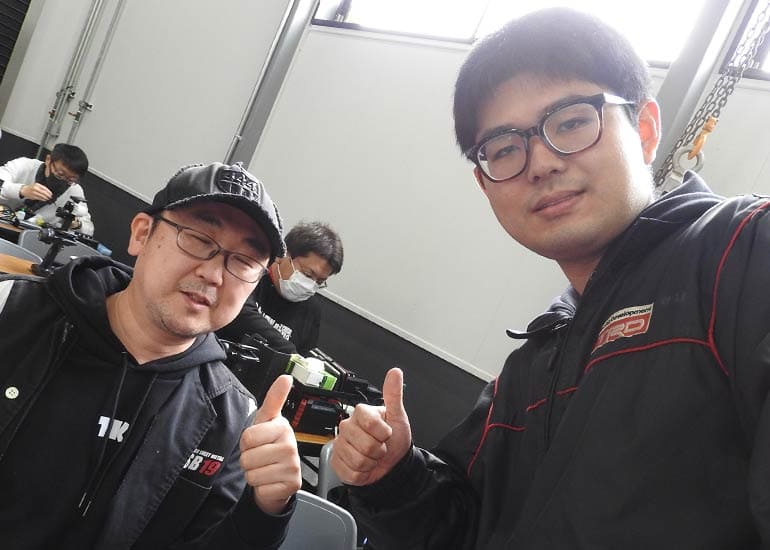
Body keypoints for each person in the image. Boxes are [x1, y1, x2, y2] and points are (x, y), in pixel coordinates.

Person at [330, 7, 770, 549]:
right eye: (505, 149)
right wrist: (395, 478)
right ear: (486, 185)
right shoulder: (530, 370)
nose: (540, 164)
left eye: (571, 122)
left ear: (646, 130)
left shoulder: (743, 253)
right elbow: (465, 531)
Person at [0, 162, 302, 549]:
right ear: (142, 234)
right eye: (199, 238)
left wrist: (265, 510)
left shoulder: (232, 419)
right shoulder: (10, 310)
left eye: (244, 261)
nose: (214, 274)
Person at [218, 221, 344, 356]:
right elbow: (241, 314)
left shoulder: (311, 311)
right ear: (284, 254)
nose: (310, 285)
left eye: (319, 282)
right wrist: (290, 353)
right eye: (307, 274)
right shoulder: (251, 274)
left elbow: (304, 353)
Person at [0, 143, 94, 235]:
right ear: (48, 160)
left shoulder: (75, 190)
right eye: (60, 174)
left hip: (31, 237)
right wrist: (22, 190)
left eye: (71, 180)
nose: (63, 181)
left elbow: (89, 229)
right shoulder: (24, 165)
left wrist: (76, 224)